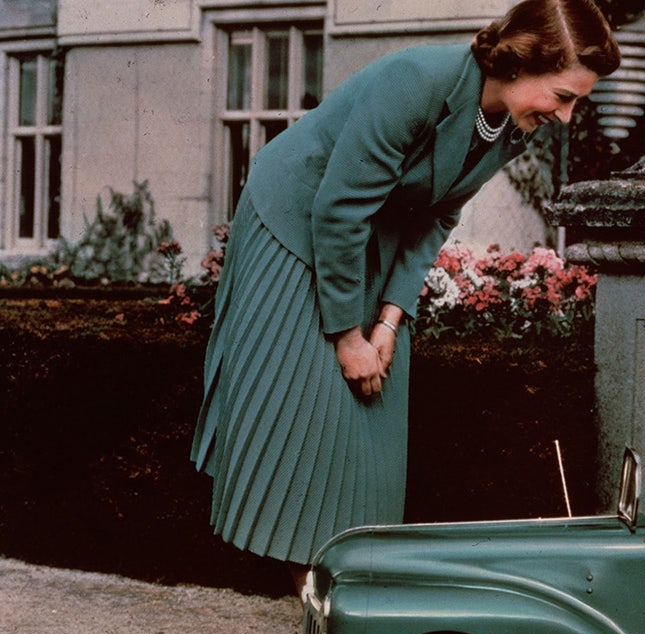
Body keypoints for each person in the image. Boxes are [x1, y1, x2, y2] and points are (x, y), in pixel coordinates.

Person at [189, 0, 620, 596]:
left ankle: (351, 597)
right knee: (311, 411)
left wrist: (390, 321)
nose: (567, 117)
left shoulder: (509, 126)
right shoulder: (416, 80)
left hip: (368, 235)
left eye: (577, 102)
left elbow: (438, 216)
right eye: (564, 96)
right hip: (293, 224)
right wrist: (346, 338)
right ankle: (320, 611)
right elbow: (338, 209)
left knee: (371, 423)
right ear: (521, 63)